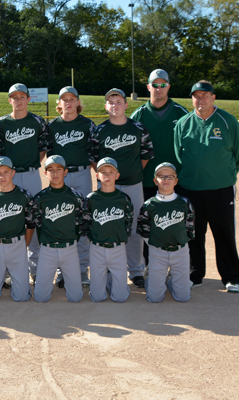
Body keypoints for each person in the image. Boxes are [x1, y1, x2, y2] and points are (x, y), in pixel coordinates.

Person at [174, 80, 239, 293]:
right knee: (193, 234)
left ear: (214, 97)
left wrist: (224, 176)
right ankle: (195, 275)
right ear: (192, 99)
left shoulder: (228, 121)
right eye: (196, 96)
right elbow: (178, 156)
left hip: (220, 189)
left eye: (205, 95)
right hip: (190, 188)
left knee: (224, 232)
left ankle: (231, 277)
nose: (200, 99)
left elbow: (238, 154)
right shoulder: (183, 123)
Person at [88, 88, 154, 288]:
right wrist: (107, 179)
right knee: (107, 226)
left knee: (134, 227)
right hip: (107, 188)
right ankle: (107, 269)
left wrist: (131, 173)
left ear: (126, 105)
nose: (114, 105)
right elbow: (93, 158)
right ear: (106, 106)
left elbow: (146, 155)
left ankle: (135, 271)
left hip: (133, 184)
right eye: (110, 102)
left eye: (118, 101)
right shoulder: (99, 130)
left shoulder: (138, 128)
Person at [0, 83, 47, 281]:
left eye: (22, 96)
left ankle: (35, 270)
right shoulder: (2, 123)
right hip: (9, 177)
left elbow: (43, 148)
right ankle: (10, 269)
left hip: (32, 174)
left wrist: (31, 165)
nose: (18, 100)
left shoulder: (37, 121)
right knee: (10, 219)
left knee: (33, 218)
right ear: (10, 100)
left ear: (28, 99)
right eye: (14, 97)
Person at [46, 86, 96, 287]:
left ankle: (82, 270)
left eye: (72, 99)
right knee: (61, 221)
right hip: (60, 176)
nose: (68, 102)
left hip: (82, 174)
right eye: (64, 99)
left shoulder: (87, 124)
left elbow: (94, 153)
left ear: (78, 102)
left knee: (82, 222)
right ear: (59, 104)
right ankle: (61, 271)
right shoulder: (52, 126)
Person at [137, 163, 194, 303]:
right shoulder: (149, 205)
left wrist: (182, 240)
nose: (166, 180)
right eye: (162, 177)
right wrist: (152, 243)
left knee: (183, 298)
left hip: (180, 252)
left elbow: (190, 225)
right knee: (154, 298)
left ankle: (170, 281)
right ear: (155, 181)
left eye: (170, 176)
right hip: (158, 252)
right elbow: (142, 227)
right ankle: (153, 279)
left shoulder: (184, 202)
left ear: (176, 181)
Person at [0, 156, 36, 302]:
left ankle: (12, 279)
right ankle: (0, 277)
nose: (2, 176)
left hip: (17, 244)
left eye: (6, 172)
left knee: (22, 297)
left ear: (13, 173)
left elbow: (30, 224)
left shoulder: (24, 196)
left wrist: (23, 244)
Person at [33, 155, 85, 303]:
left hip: (69, 249)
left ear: (65, 172)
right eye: (50, 169)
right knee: (41, 297)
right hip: (47, 250)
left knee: (75, 297)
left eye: (59, 169)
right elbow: (37, 225)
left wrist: (71, 239)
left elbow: (80, 223)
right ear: (45, 173)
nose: (55, 173)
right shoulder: (39, 198)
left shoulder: (76, 196)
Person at [130, 69, 188, 200]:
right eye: (155, 85)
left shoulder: (181, 113)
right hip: (147, 179)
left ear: (168, 86)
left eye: (163, 85)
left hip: (176, 179)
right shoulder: (139, 115)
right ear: (148, 87)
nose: (159, 88)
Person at [84, 158, 134, 303]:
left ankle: (115, 281)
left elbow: (128, 223)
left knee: (120, 298)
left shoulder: (124, 199)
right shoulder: (91, 199)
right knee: (97, 297)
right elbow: (86, 224)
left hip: (117, 248)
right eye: (103, 172)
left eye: (111, 172)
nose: (107, 175)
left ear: (117, 175)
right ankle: (105, 280)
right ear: (97, 175)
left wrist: (119, 238)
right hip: (97, 248)